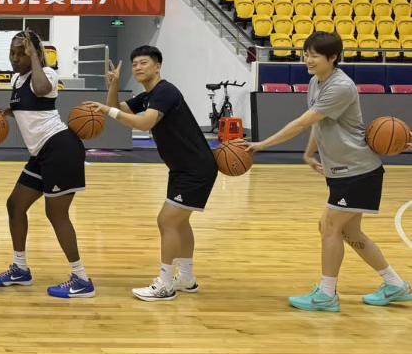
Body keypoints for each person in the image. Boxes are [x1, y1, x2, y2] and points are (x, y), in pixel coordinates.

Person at [237, 32, 411, 312]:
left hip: (358, 170)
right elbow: (320, 123)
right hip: (345, 171)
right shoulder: (316, 81)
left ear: (333, 58)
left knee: (329, 226)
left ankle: (327, 294)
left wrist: (261, 144)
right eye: (306, 54)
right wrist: (309, 153)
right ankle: (395, 285)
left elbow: (302, 123)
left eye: (314, 55)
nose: (308, 60)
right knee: (351, 232)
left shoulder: (340, 86)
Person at [81, 46, 218, 301]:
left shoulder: (165, 91)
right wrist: (114, 84)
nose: (138, 67)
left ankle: (165, 284)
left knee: (167, 221)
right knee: (180, 222)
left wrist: (107, 110)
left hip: (195, 168)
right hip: (182, 167)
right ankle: (186, 278)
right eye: (134, 64)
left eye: (144, 63)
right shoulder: (148, 96)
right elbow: (117, 108)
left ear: (158, 66)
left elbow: (144, 123)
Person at [0, 30, 95, 299]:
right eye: (12, 52)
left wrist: (35, 56)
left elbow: (40, 90)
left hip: (61, 148)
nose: (15, 58)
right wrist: (6, 113)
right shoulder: (17, 79)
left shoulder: (47, 74)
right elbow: (29, 105)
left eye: (21, 53)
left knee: (56, 214)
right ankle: (20, 269)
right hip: (41, 153)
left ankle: (82, 278)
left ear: (35, 54)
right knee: (15, 205)